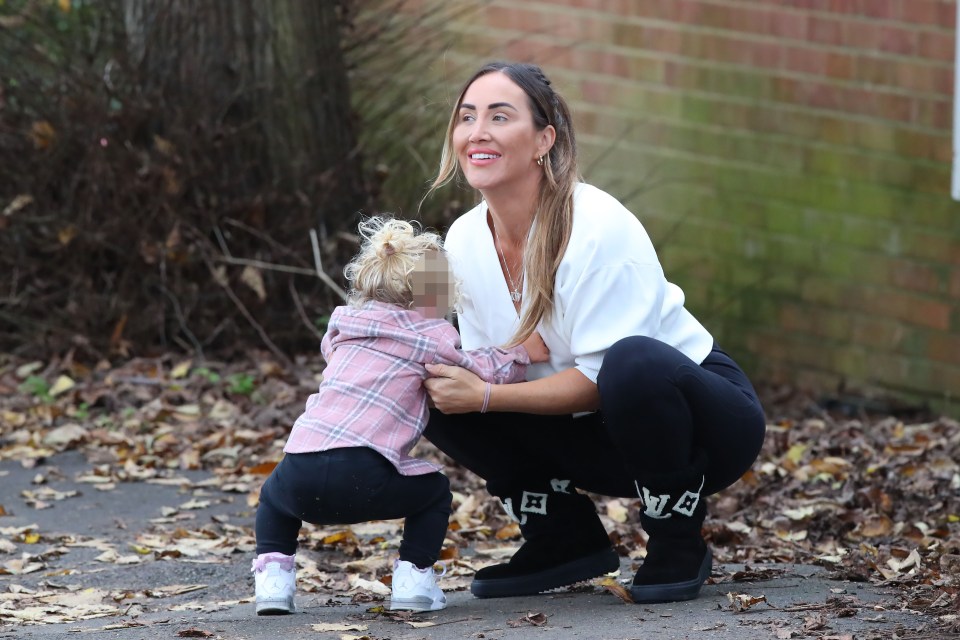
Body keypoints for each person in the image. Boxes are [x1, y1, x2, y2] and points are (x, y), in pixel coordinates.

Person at [420, 61, 766, 604]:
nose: (477, 131)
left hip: (697, 423)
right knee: (429, 377)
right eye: (467, 117)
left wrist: (487, 394)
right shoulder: (462, 240)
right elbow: (490, 357)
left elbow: (604, 380)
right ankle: (563, 537)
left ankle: (678, 541)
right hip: (586, 431)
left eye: (499, 116)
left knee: (632, 362)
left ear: (543, 139)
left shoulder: (598, 226)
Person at [251, 216, 550, 615]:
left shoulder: (344, 327)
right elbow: (476, 369)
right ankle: (413, 580)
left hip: (298, 465)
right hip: (363, 470)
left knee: (272, 499)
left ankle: (273, 584)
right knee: (434, 492)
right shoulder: (429, 335)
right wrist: (522, 352)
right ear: (433, 296)